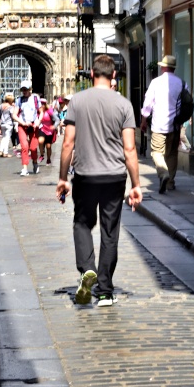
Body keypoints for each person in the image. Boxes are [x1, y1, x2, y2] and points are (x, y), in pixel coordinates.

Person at [56, 54, 142, 307]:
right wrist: (136, 184)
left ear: (91, 75)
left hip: (85, 175)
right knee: (110, 232)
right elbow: (130, 149)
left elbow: (68, 142)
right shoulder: (124, 105)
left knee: (82, 224)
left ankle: (87, 270)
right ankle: (105, 291)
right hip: (114, 177)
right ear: (114, 75)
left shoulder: (77, 102)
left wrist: (62, 178)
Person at [140, 54, 186, 194]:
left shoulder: (155, 82)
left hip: (159, 125)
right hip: (175, 125)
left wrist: (143, 120)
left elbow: (148, 104)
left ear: (164, 67)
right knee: (172, 154)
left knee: (156, 152)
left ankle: (163, 174)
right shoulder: (182, 83)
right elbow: (187, 103)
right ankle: (170, 183)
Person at [13, 80, 41, 176]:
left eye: (26, 89)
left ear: (30, 89)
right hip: (23, 125)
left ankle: (35, 162)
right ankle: (24, 168)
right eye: (22, 90)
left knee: (33, 148)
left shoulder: (35, 98)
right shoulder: (19, 100)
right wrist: (23, 123)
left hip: (33, 125)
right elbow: (14, 115)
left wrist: (38, 122)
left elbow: (41, 112)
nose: (24, 91)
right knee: (24, 146)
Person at [37, 98, 59, 166]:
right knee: (40, 141)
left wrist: (54, 126)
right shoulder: (37, 112)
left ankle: (48, 159)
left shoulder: (49, 111)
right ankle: (42, 154)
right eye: (40, 104)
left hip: (49, 130)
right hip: (42, 128)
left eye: (43, 104)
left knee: (48, 146)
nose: (42, 105)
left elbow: (57, 120)